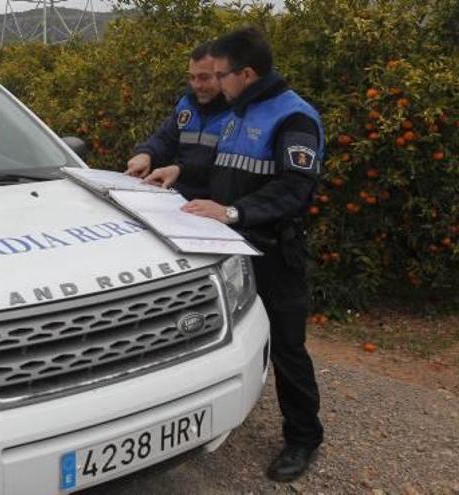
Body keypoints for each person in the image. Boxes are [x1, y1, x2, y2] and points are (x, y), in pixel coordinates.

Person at [144, 27, 325, 482]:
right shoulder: (237, 113)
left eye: (220, 75)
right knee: (223, 336)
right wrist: (178, 168)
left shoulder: (294, 118)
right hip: (229, 248)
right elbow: (221, 165)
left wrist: (232, 211)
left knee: (286, 346)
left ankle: (303, 437)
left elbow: (295, 187)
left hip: (272, 252)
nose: (214, 84)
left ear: (247, 73)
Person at [125, 41, 230, 200]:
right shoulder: (187, 105)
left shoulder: (238, 113)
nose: (197, 85)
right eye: (192, 77)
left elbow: (226, 172)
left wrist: (180, 170)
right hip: (176, 197)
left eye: (204, 78)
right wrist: (146, 154)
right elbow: (165, 138)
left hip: (213, 206)